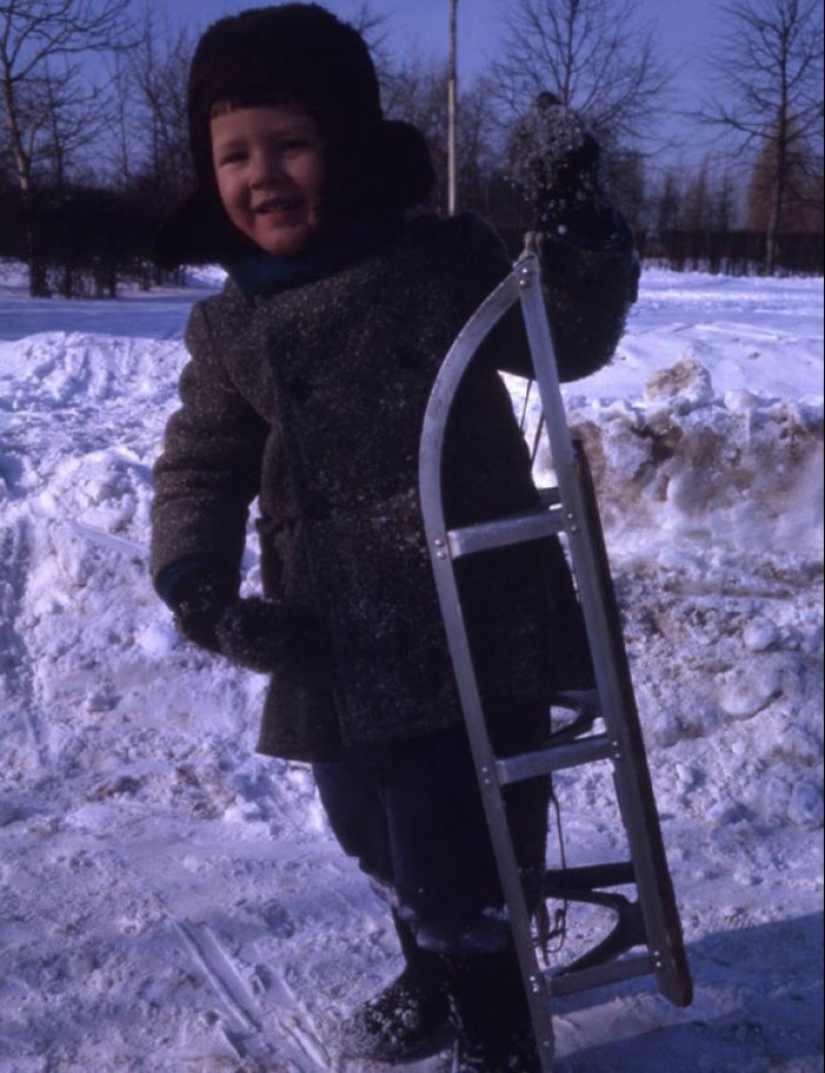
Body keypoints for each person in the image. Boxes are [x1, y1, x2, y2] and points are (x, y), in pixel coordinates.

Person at [149, 5, 639, 1070]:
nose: (262, 173)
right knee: (373, 830)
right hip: (327, 634)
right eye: (234, 153)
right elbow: (200, 461)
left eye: (291, 142)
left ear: (354, 146)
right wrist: (196, 580)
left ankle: (497, 1026)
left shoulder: (438, 259)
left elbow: (569, 337)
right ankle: (431, 973)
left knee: (462, 844)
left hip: (470, 616)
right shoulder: (230, 322)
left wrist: (578, 226)